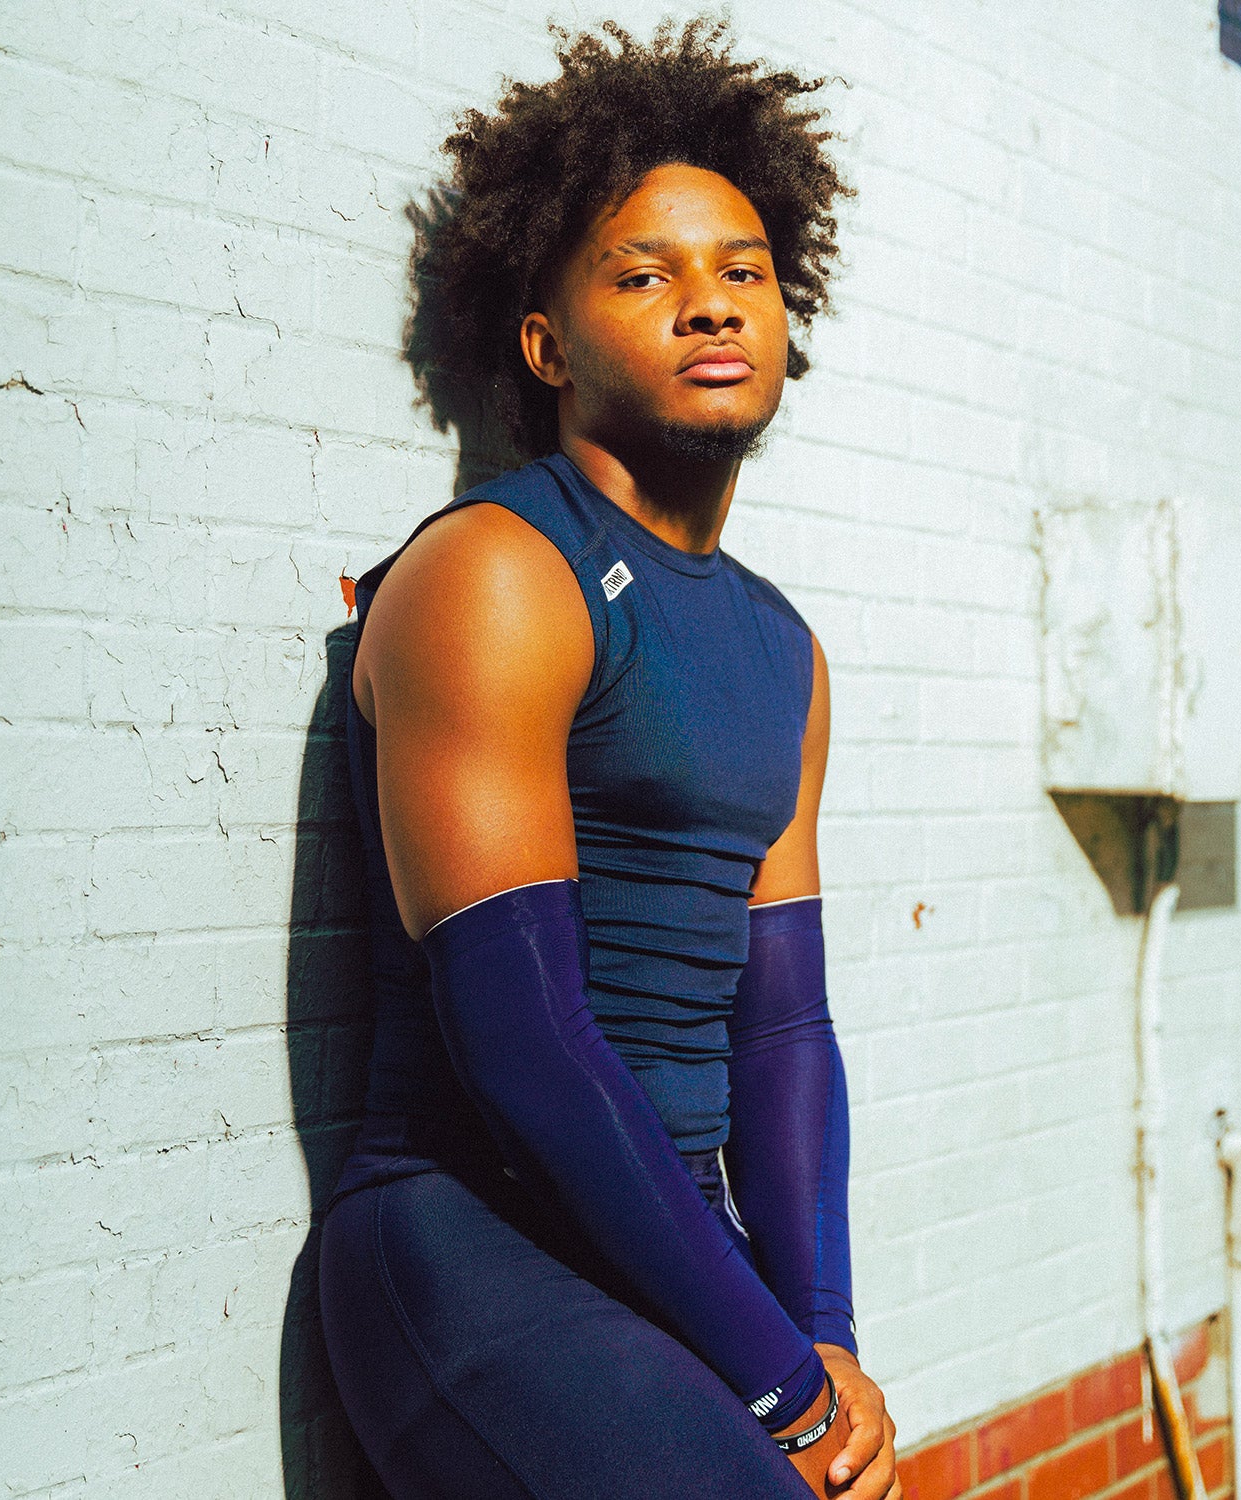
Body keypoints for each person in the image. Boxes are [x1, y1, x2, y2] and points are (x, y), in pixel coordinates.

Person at [318, 18, 900, 1498]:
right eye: (645, 275)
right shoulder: (501, 570)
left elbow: (783, 1028)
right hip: (476, 1237)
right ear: (548, 346)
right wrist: (779, 1384)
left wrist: (823, 1340)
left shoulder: (784, 648)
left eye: (745, 272)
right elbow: (521, 1037)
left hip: (672, 1240)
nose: (709, 303)